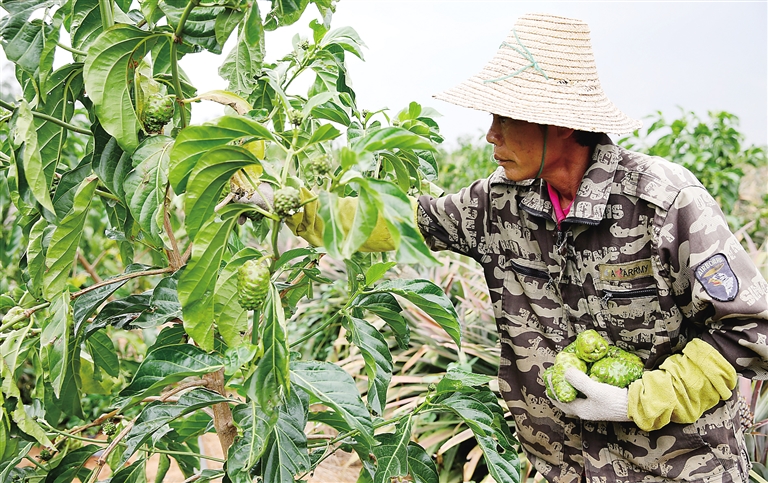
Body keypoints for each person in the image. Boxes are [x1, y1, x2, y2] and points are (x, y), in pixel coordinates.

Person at [239, 13, 768, 483]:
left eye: (506, 118)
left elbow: (752, 329)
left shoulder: (662, 203)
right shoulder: (499, 204)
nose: (490, 134)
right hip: (566, 469)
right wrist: (282, 201)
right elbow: (402, 223)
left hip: (676, 468)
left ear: (562, 123)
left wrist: (637, 399)